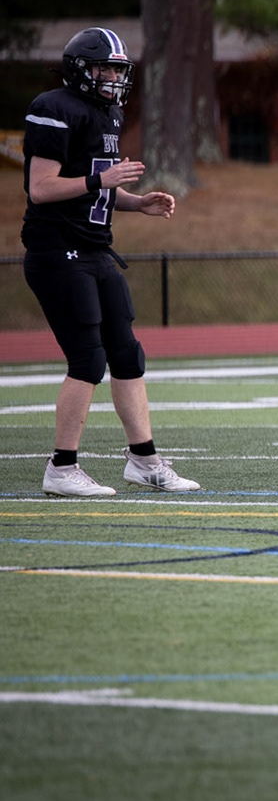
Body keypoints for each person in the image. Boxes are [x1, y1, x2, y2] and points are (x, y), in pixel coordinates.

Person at [20, 27, 199, 498]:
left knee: (126, 353)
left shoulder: (109, 113)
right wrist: (102, 180)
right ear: (81, 69)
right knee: (88, 357)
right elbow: (42, 188)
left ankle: (144, 461)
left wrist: (137, 202)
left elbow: (96, 187)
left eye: (119, 70)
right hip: (57, 251)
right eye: (105, 69)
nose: (114, 78)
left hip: (95, 249)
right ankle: (61, 468)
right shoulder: (53, 108)